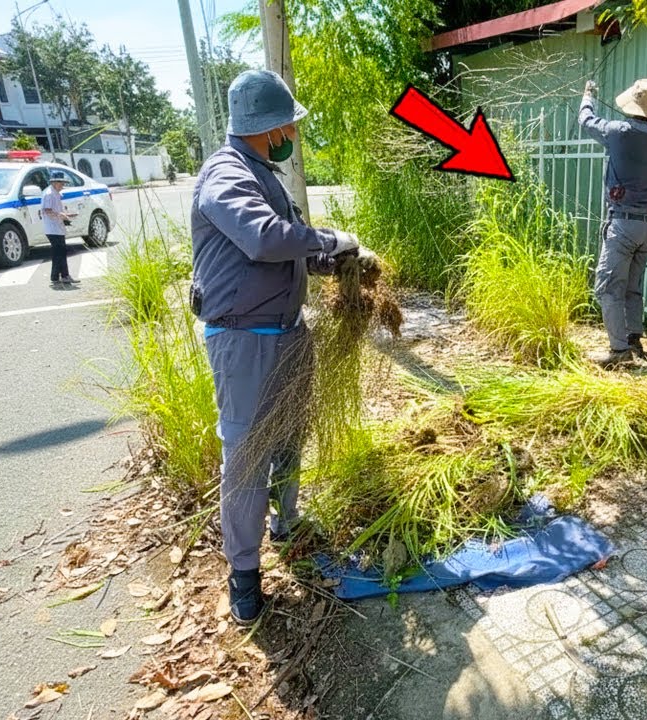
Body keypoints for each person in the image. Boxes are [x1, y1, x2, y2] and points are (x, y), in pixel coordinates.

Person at [190, 69, 374, 624]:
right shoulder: (225, 174)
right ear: (268, 127)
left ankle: (286, 521)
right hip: (244, 341)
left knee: (290, 434)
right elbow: (264, 239)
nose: (293, 133)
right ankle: (244, 575)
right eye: (288, 125)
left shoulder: (260, 173)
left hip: (289, 333)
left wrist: (339, 260)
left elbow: (291, 251)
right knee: (247, 456)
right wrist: (331, 237)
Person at [578, 78, 647, 367]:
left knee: (607, 287)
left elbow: (586, 120)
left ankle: (619, 352)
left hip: (625, 224)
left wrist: (588, 95)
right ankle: (633, 338)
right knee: (632, 286)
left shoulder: (619, 131)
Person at [41, 170, 79, 287]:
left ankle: (60, 276)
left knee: (60, 253)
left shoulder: (55, 193)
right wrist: (60, 215)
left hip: (57, 227)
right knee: (59, 253)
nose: (62, 185)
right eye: (60, 183)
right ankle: (61, 276)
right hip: (52, 228)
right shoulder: (49, 194)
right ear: (54, 182)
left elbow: (55, 210)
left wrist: (66, 215)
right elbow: (47, 211)